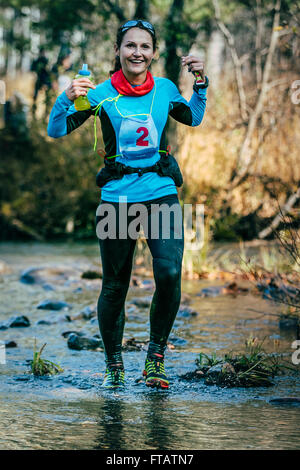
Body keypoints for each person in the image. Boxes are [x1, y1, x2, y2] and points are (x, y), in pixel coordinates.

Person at [47, 19, 208, 390]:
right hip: (116, 201)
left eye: (145, 47)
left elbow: (194, 117)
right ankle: (114, 365)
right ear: (118, 51)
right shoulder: (99, 94)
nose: (137, 52)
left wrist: (200, 83)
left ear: (152, 53)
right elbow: (56, 130)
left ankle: (155, 359)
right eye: (130, 46)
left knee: (168, 275)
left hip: (161, 193)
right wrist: (66, 97)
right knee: (115, 286)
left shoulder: (166, 89)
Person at [31, 47, 52, 116]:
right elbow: (32, 70)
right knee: (35, 97)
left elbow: (49, 73)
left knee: (47, 98)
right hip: (38, 81)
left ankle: (46, 114)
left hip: (46, 81)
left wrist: (46, 83)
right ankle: (33, 112)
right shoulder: (37, 61)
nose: (42, 54)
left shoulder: (47, 61)